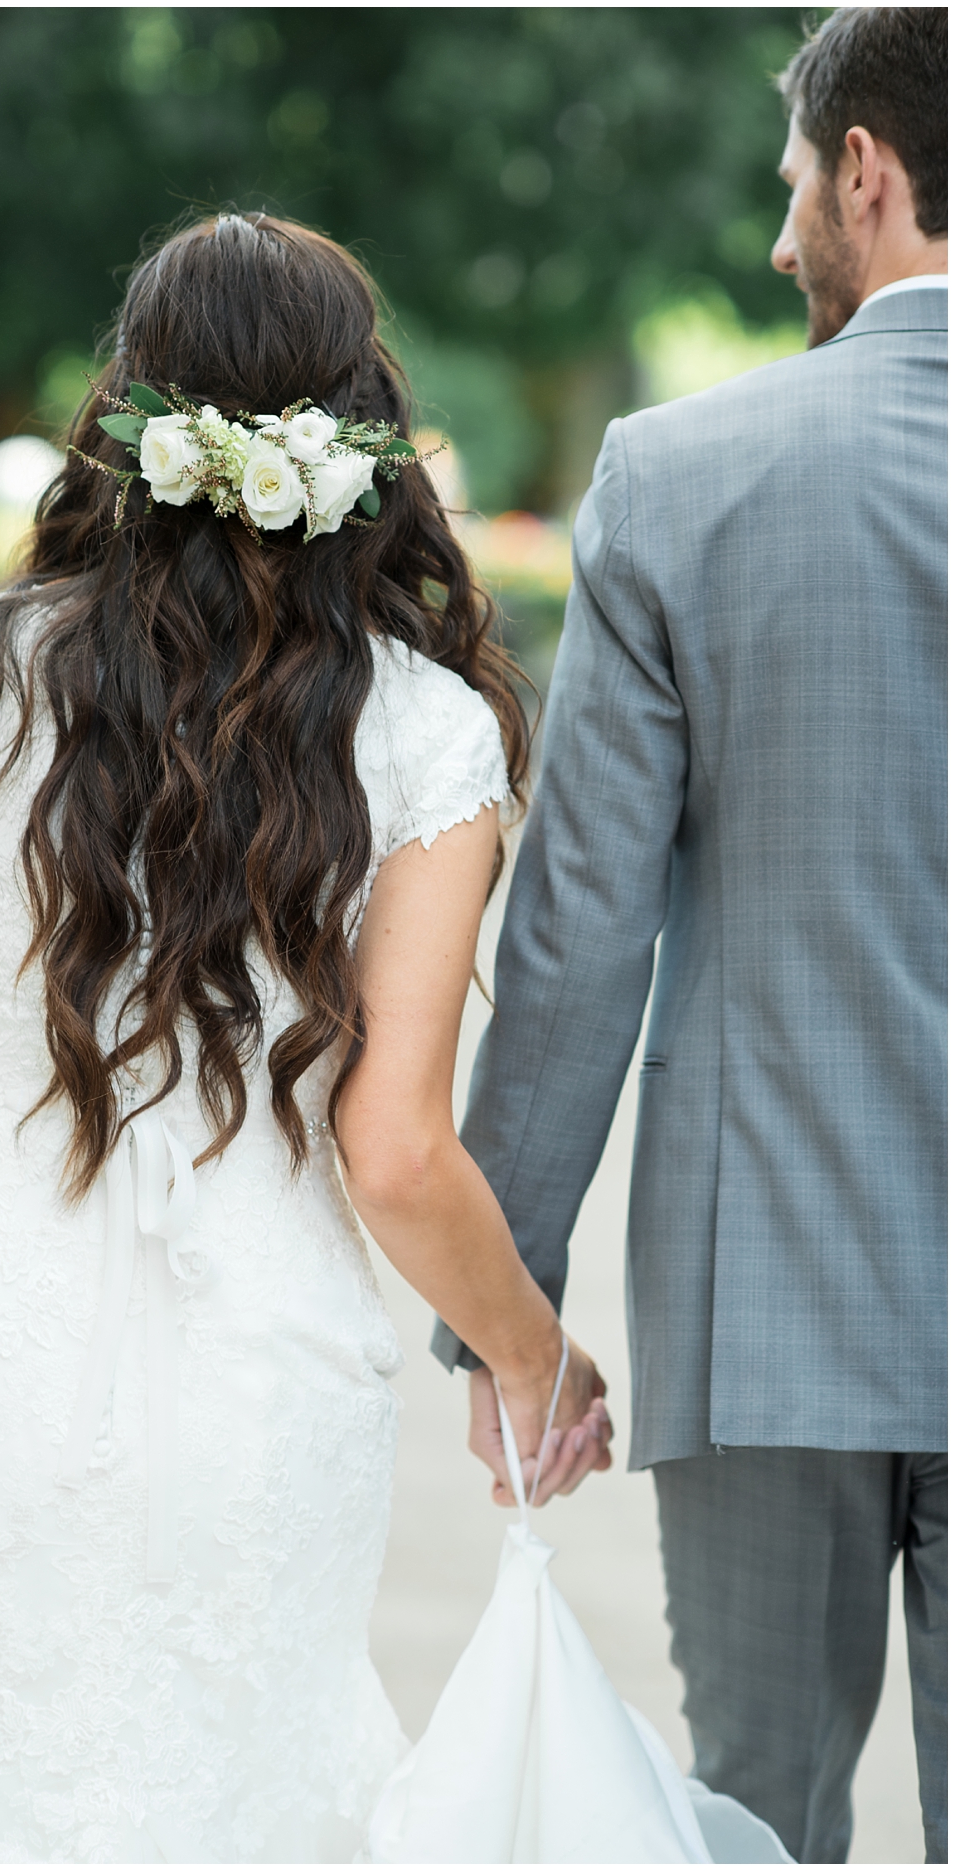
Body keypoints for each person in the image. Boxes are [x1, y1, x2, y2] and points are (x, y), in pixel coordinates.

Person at [0, 212, 613, 1861]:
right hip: (265, 1371)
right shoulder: (426, 731)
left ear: (126, 416)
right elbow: (397, 1152)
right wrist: (536, 1359)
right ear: (361, 432)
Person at [434, 8, 948, 1860]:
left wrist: (505, 1316)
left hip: (767, 1305)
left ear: (868, 173)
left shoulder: (681, 475)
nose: (780, 232)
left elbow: (575, 933)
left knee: (757, 1824)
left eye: (795, 186)